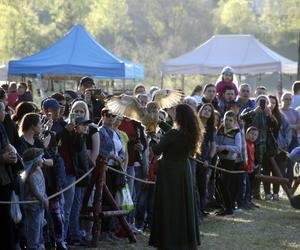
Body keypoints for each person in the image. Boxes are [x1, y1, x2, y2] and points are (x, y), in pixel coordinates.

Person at [149, 103, 201, 250]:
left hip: (169, 173)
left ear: (179, 116)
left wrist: (152, 136)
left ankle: (168, 240)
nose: (172, 112)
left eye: (174, 111)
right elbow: (171, 133)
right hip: (183, 172)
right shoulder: (190, 133)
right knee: (182, 207)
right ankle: (183, 240)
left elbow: (157, 149)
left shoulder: (174, 134)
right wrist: (160, 123)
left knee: (169, 206)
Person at [215, 110, 241, 215]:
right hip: (220, 160)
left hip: (229, 161)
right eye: (226, 119)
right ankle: (224, 205)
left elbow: (238, 148)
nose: (228, 122)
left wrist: (225, 147)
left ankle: (229, 208)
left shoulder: (236, 133)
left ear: (234, 122)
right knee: (218, 183)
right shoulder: (220, 130)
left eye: (230, 120)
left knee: (225, 185)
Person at [22, 148, 48, 250]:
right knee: (34, 231)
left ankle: (40, 247)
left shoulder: (39, 170)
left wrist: (45, 197)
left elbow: (43, 187)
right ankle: (34, 247)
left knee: (40, 228)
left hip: (39, 205)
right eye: (41, 159)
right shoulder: (32, 175)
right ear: (35, 161)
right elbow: (36, 192)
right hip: (33, 206)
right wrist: (44, 199)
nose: (42, 161)